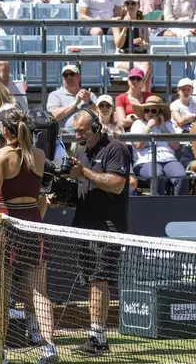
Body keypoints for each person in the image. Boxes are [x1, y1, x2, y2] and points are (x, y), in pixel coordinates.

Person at [0, 108, 57, 364]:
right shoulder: (40, 155)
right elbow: (40, 198)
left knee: (1, 292)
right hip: (34, 225)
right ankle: (49, 348)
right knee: (39, 292)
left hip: (7, 227)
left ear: (5, 131)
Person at [68, 108, 131, 356]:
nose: (77, 134)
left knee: (98, 281)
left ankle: (97, 337)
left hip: (107, 227)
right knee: (92, 281)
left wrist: (83, 172)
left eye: (81, 130)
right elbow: (82, 185)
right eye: (75, 130)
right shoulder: (81, 150)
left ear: (95, 127)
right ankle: (97, 336)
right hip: (84, 224)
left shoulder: (116, 149)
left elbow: (116, 185)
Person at [131, 96, 188, 195]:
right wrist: (148, 127)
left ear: (159, 113)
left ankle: (179, 208)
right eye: (147, 110)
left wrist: (163, 128)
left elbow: (176, 146)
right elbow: (138, 145)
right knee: (157, 176)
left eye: (153, 111)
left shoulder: (167, 124)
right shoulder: (138, 124)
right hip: (146, 161)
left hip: (169, 159)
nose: (149, 113)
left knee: (181, 176)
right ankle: (159, 208)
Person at [47, 64, 98, 129]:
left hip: (88, 136)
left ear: (79, 77)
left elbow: (100, 115)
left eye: (72, 74)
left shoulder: (89, 95)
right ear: (62, 78)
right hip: (63, 136)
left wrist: (89, 102)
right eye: (66, 75)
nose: (69, 77)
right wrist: (75, 102)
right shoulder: (55, 95)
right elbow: (54, 117)